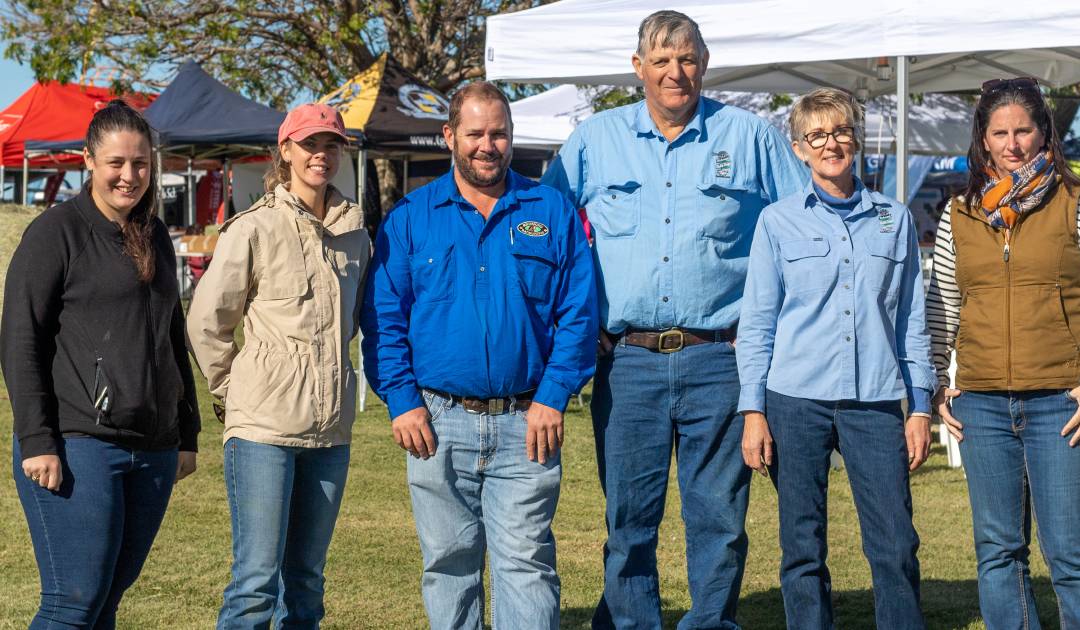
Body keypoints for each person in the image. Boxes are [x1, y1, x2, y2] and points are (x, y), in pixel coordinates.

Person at [541, 10, 809, 629]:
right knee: (628, 520)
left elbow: (802, 226)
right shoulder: (594, 140)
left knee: (718, 516)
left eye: (687, 59)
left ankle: (710, 622)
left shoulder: (750, 136)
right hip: (625, 360)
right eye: (660, 61)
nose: (674, 73)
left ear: (705, 64)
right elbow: (545, 230)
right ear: (637, 69)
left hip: (720, 357)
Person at [361, 81, 597, 629]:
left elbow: (579, 314)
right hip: (436, 423)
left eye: (499, 133)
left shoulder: (550, 210)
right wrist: (401, 400)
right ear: (449, 137)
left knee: (527, 565)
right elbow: (383, 319)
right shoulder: (411, 218)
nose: (487, 145)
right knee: (449, 565)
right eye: (474, 133)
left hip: (527, 423)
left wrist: (555, 395)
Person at [926, 77, 1080, 630]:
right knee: (997, 552)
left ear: (1044, 133)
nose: (1012, 143)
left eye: (1023, 130)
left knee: (1069, 552)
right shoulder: (959, 214)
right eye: (1000, 132)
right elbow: (940, 310)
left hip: (1062, 407)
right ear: (984, 140)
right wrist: (933, 386)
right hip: (983, 407)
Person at [737, 88, 935, 630]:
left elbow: (911, 320)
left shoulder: (894, 220)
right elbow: (757, 322)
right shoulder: (776, 223)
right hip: (793, 400)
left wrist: (920, 407)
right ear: (799, 149)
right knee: (802, 544)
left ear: (857, 140)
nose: (831, 144)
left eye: (841, 131)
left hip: (874, 402)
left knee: (895, 541)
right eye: (817, 135)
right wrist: (753, 410)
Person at [1, 99, 201, 629]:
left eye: (140, 163)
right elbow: (21, 340)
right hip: (78, 443)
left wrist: (186, 432)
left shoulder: (154, 234)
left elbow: (170, 336)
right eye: (116, 163)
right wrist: (38, 440)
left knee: (107, 599)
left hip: (152, 450)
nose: (129, 175)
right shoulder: (55, 234)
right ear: (89, 160)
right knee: (74, 602)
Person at [187, 102, 371, 628]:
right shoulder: (254, 228)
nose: (321, 155)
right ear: (285, 151)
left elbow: (354, 321)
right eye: (310, 143)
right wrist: (234, 387)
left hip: (331, 434)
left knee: (308, 581)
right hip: (263, 429)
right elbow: (206, 321)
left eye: (331, 144)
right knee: (256, 581)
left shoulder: (356, 234)